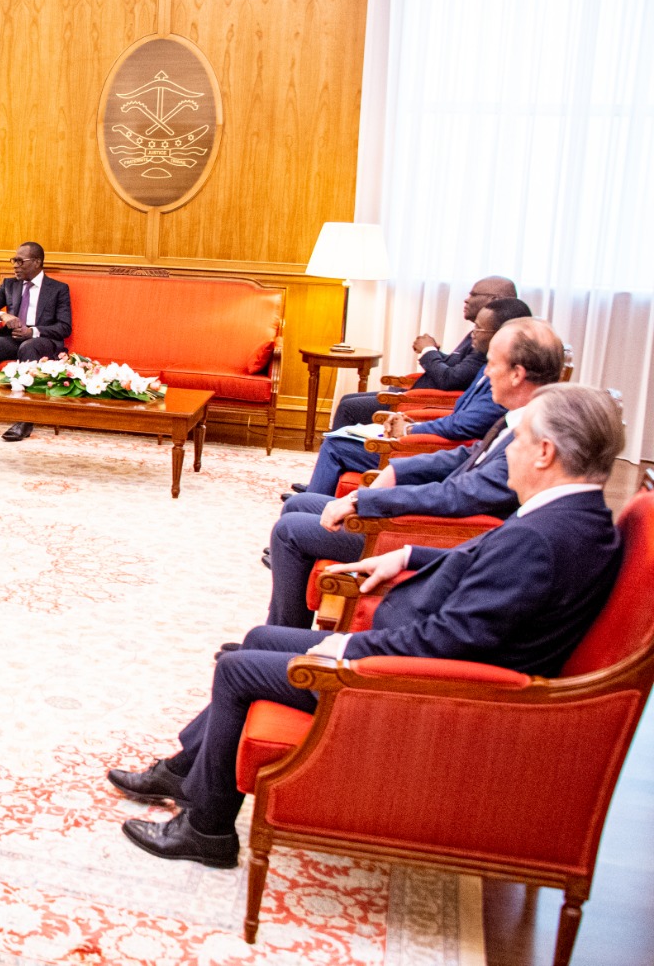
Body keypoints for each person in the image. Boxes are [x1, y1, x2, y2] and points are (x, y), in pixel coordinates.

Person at [109, 382, 625, 868]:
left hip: (414, 687)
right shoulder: (576, 518)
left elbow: (445, 645)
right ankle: (186, 773)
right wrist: (404, 556)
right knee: (258, 640)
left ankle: (207, 831)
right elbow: (482, 563)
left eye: (519, 438)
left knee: (238, 669)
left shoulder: (538, 540)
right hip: (421, 653)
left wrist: (341, 649)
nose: (508, 449)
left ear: (545, 453)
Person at [265, 317, 565, 627]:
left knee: (290, 530)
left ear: (517, 374)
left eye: (491, 365)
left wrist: (362, 501)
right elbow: (466, 455)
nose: (485, 373)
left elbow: (458, 496)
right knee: (299, 504)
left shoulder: (531, 439)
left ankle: (283, 639)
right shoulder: (519, 419)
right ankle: (283, 634)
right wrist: (397, 469)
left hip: (429, 533)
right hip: (432, 518)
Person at [297, 299, 532, 498]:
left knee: (336, 444)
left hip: (434, 451)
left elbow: (461, 416)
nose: (473, 333)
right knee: (347, 419)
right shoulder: (489, 366)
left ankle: (316, 501)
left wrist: (411, 430)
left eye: (479, 329)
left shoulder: (502, 381)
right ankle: (316, 499)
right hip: (435, 436)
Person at [327, 275, 518, 429]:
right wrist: (434, 352)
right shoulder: (479, 334)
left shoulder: (492, 340)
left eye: (474, 294)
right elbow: (460, 367)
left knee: (348, 407)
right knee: (348, 399)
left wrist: (428, 351)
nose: (466, 299)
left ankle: (341, 455)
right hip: (420, 393)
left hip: (425, 401)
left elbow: (452, 379)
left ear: (493, 300)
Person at [0, 242, 72, 442]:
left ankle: (25, 420)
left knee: (28, 346)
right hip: (13, 339)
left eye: (20, 261)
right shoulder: (9, 285)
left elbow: (64, 327)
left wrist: (32, 331)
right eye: (14, 260)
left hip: (42, 341)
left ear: (36, 262)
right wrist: (3, 316)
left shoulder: (58, 289)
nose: (15, 265)